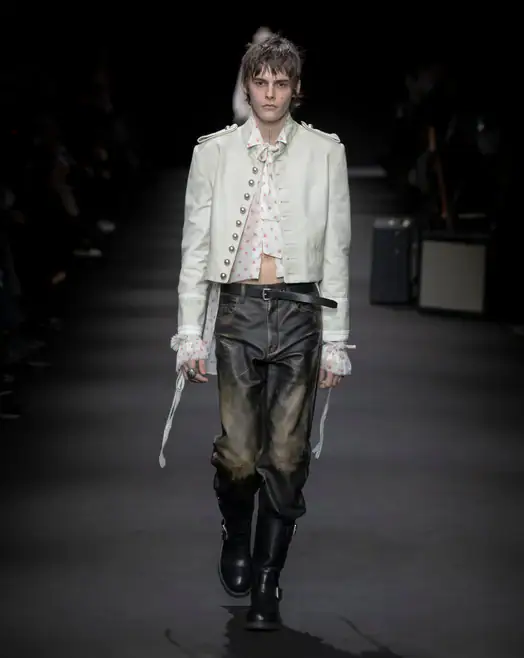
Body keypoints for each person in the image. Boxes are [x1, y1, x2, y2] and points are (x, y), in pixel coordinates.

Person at [160, 34, 353, 631]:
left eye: (281, 84)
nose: (270, 94)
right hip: (238, 313)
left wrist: (336, 338)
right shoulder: (214, 153)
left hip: (300, 315)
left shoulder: (325, 153)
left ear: (296, 89)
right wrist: (188, 330)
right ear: (247, 86)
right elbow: (195, 247)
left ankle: (268, 581)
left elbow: (337, 248)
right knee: (240, 456)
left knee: (288, 456)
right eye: (261, 82)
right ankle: (236, 532)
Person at [232, 27, 274, 125]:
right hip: (247, 118)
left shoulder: (276, 66)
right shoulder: (248, 64)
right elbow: (240, 92)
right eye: (261, 42)